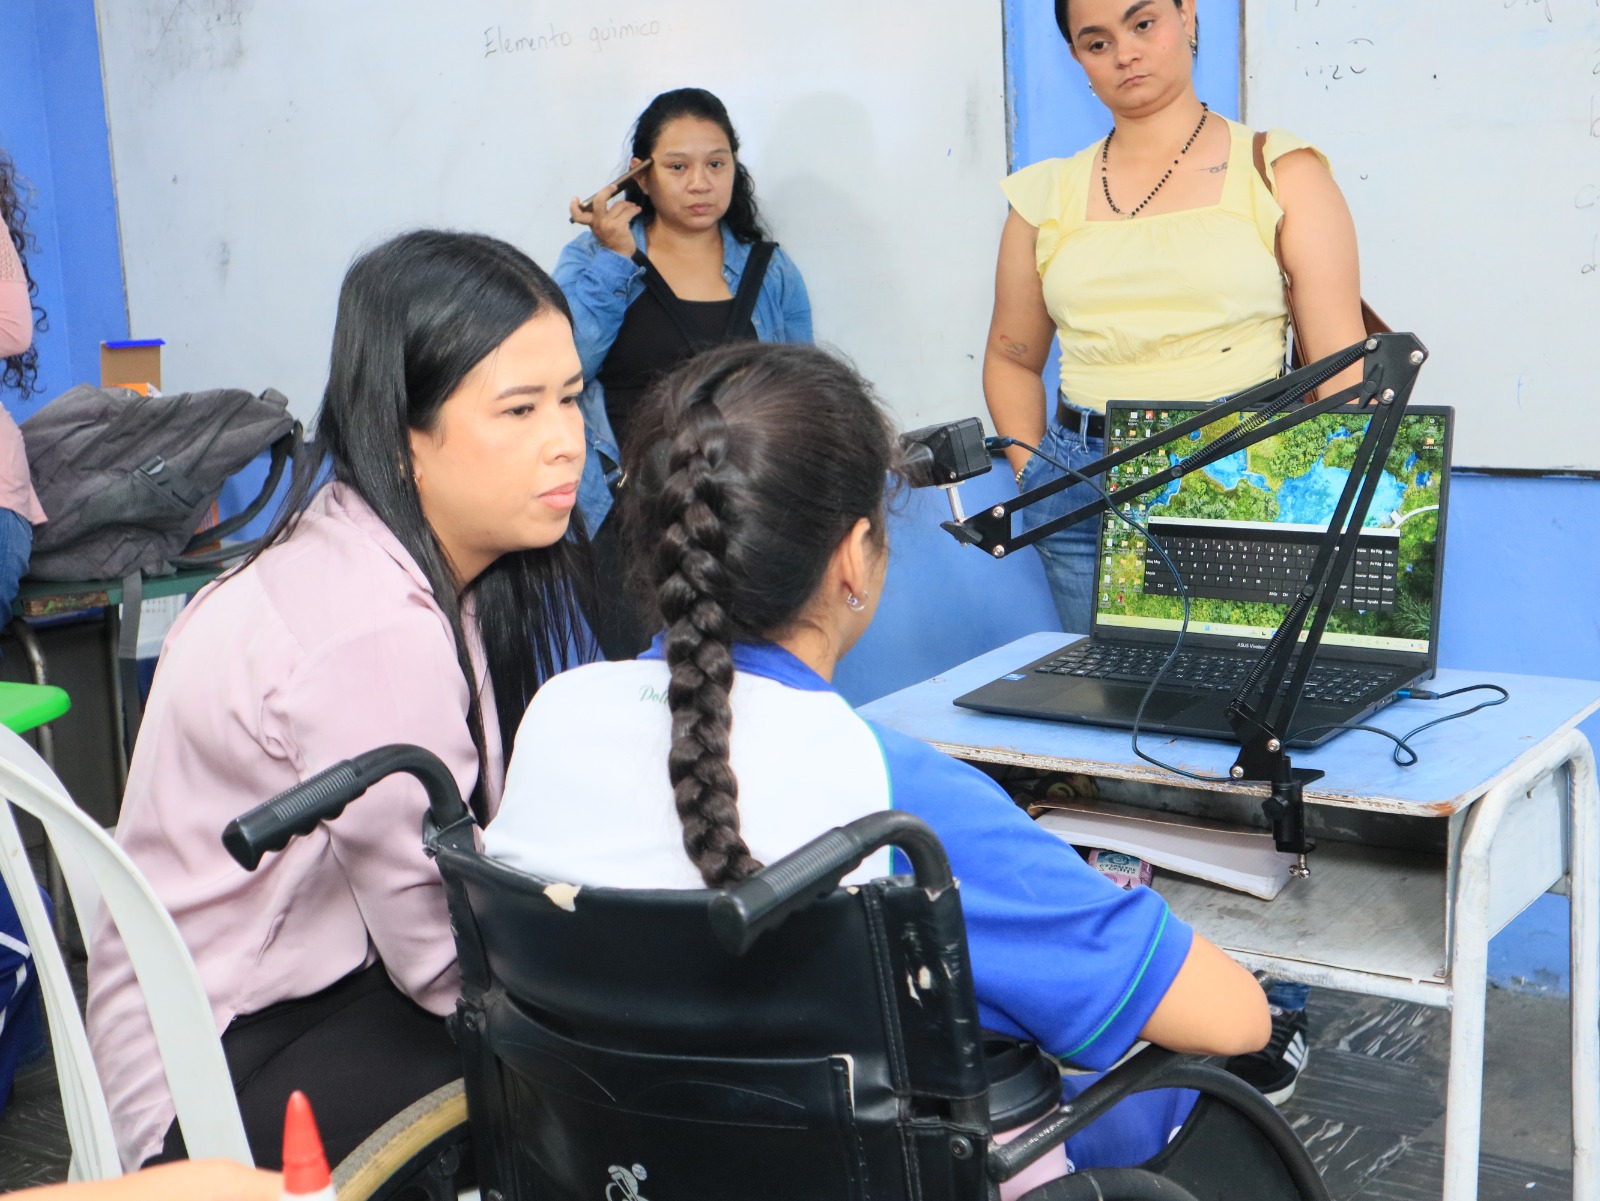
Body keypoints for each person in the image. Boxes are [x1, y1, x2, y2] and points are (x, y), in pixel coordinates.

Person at [486, 342, 1269, 1177]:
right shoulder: (897, 801)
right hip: (879, 1175)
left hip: (617, 1170)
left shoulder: (554, 716)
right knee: (1203, 1096)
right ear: (853, 557)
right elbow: (1235, 1018)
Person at [85, 230, 595, 1171]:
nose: (567, 438)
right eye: (520, 409)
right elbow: (442, 963)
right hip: (211, 1076)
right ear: (404, 439)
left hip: (277, 1003)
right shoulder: (369, 630)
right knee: (584, 1075)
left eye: (572, 395)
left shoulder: (370, 545)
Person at [981, 0, 1366, 1099]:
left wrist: (1282, 502)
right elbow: (1011, 354)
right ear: (1074, 56)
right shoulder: (1044, 195)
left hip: (1239, 483)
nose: (1124, 56)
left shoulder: (1277, 169)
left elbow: (1341, 369)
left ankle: (1267, 1004)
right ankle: (1149, 993)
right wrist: (1035, 470)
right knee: (1114, 754)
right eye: (1094, 41)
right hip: (1088, 488)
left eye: (1143, 23)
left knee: (1246, 749)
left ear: (1190, 18)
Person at [557, 87, 812, 658]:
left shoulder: (770, 270)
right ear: (641, 177)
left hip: (744, 511)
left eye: (716, 164)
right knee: (649, 683)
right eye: (678, 167)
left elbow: (802, 396)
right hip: (626, 520)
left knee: (748, 673)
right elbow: (565, 368)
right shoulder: (592, 257)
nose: (700, 183)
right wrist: (615, 259)